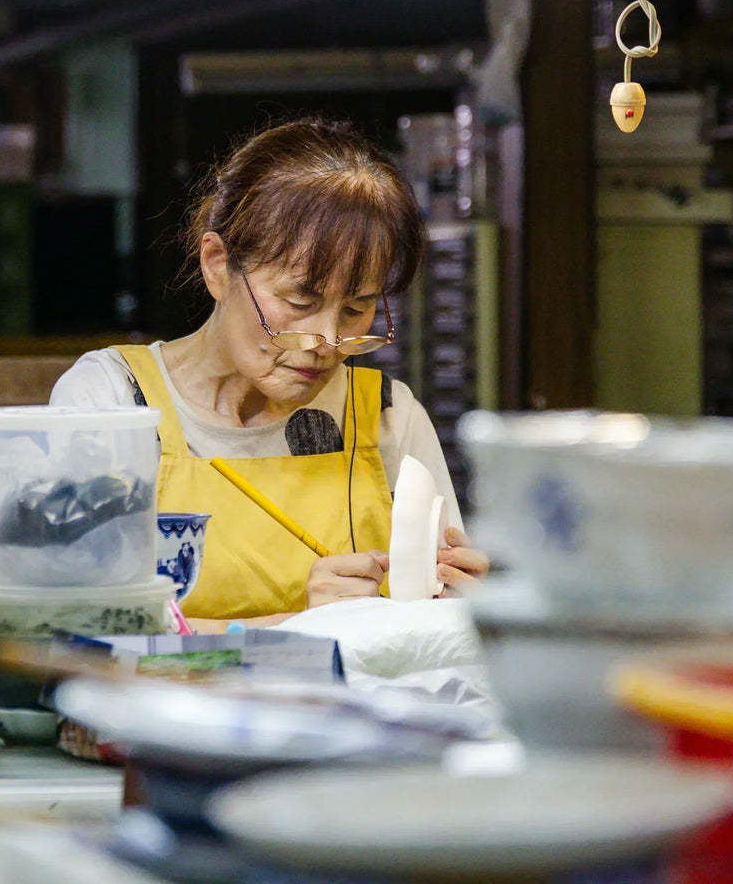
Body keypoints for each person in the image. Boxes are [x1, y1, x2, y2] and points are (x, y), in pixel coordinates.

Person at [51, 116, 488, 622]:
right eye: (300, 300)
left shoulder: (389, 418)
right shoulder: (110, 403)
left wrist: (466, 609)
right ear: (217, 265)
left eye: (356, 309)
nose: (327, 343)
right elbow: (69, 630)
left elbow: (431, 628)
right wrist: (294, 628)